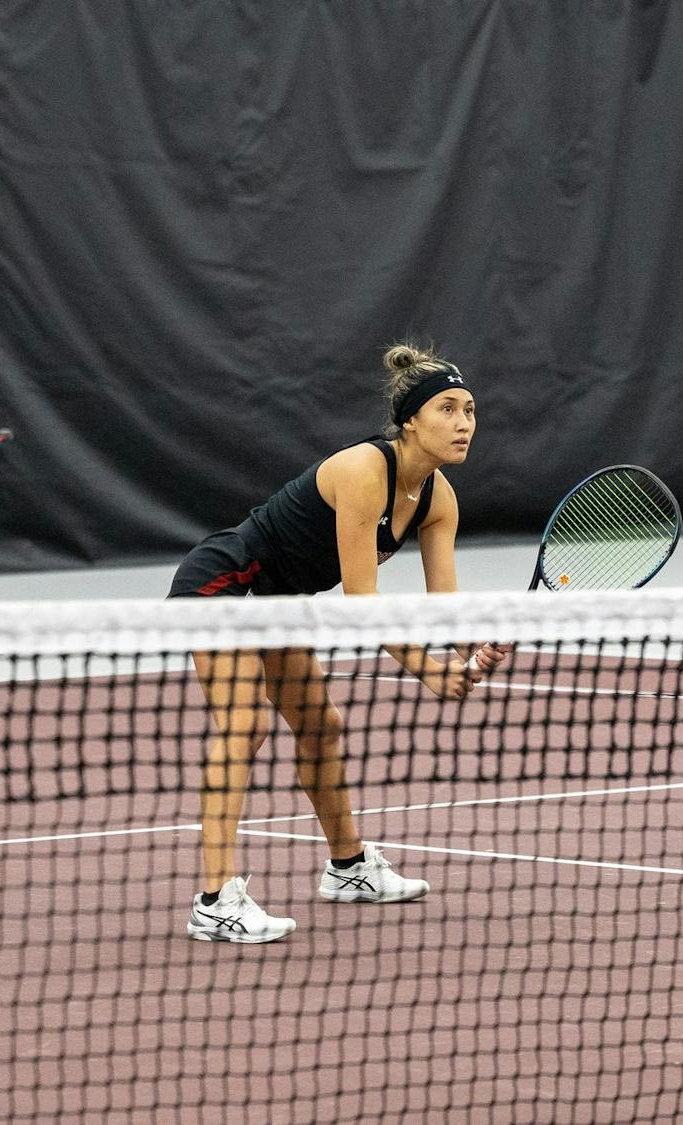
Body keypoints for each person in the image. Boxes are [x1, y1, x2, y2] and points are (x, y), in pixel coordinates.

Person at [170, 342, 512, 943]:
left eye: (471, 411)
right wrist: (430, 670)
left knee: (320, 725)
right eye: (449, 409)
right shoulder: (363, 470)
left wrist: (474, 645)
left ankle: (349, 869)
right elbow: (361, 599)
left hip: (277, 603)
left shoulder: (438, 500)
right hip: (222, 586)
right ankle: (214, 899)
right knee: (245, 725)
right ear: (411, 420)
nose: (464, 424)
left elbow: (447, 606)